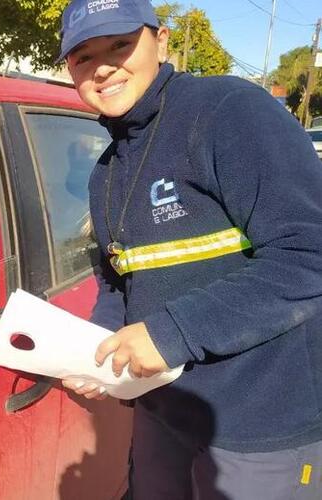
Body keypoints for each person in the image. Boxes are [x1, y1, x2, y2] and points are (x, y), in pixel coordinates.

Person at [55, 1, 322, 498]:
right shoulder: (107, 172)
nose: (104, 67)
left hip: (262, 422)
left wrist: (173, 331)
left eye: (119, 45)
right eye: (83, 55)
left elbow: (308, 252)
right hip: (164, 410)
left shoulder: (229, 111)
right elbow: (120, 276)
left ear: (160, 39)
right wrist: (100, 345)